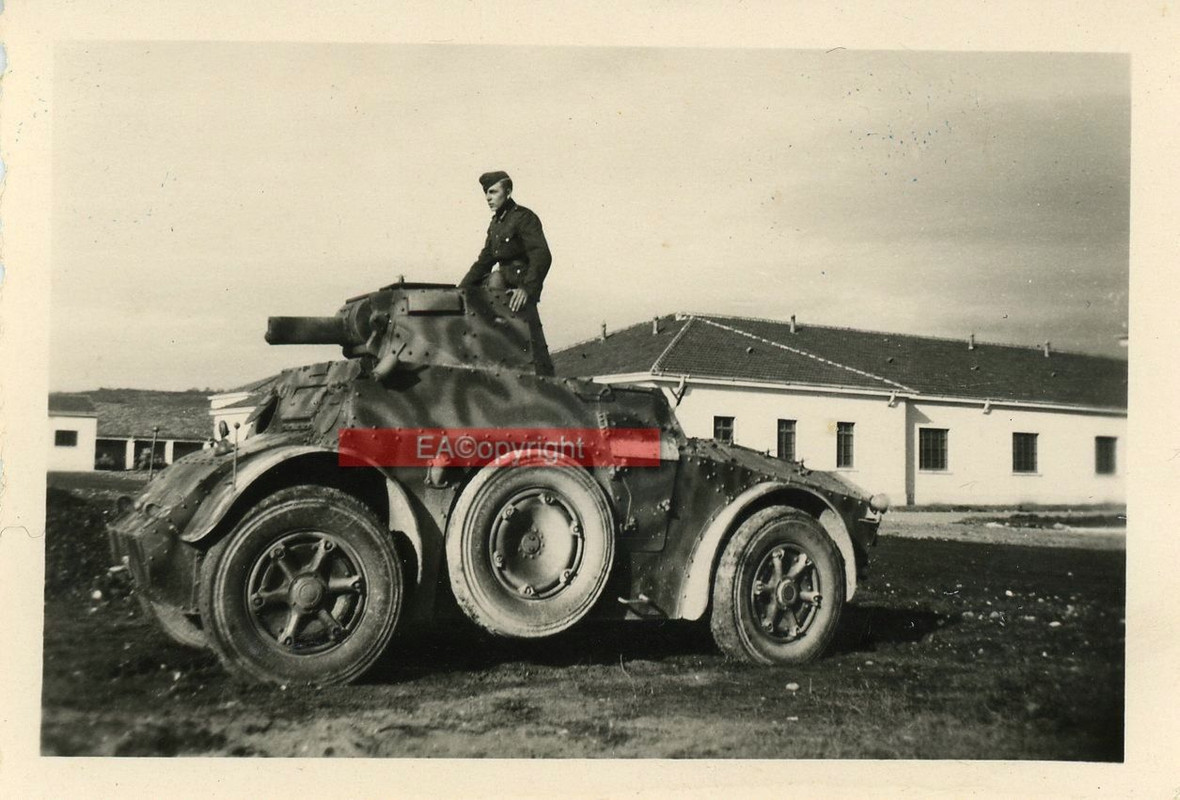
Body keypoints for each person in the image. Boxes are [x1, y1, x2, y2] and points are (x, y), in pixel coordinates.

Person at [459, 171, 552, 313]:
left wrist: (526, 289)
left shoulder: (523, 217)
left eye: (493, 192)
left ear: (508, 192)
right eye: (486, 193)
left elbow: (541, 255)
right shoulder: (496, 224)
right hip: (500, 288)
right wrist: (460, 290)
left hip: (517, 290)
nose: (488, 198)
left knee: (495, 279)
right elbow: (484, 262)